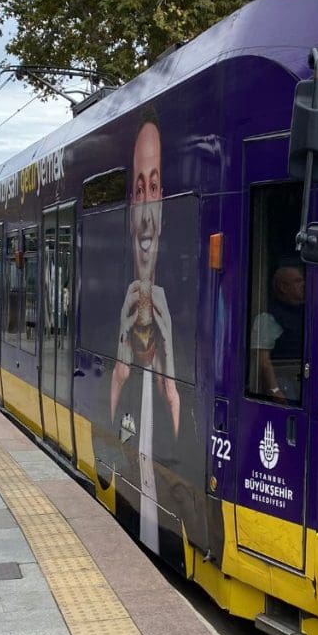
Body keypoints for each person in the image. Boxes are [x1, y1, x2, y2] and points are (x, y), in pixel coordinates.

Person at [108, 110, 181, 551]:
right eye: (139, 189)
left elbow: (174, 396)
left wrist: (168, 361)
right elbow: (116, 379)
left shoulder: (173, 306)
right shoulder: (122, 300)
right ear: (132, 209)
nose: (148, 208)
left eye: (155, 186)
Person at [251, 263, 306, 401]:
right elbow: (262, 361)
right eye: (298, 281)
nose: (304, 284)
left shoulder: (306, 315)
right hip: (283, 384)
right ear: (283, 287)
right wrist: (274, 390)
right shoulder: (267, 318)